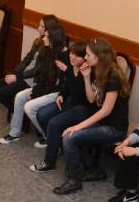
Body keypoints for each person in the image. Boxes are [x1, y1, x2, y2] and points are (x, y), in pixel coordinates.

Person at [52, 38, 130, 195]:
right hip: (102, 123)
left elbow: (106, 110)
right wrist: (87, 77)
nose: (85, 57)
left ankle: (74, 181)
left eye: (88, 55)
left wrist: (78, 127)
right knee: (68, 134)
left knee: (69, 137)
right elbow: (91, 99)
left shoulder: (113, 77)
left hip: (114, 128)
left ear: (98, 57)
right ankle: (96, 170)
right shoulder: (96, 71)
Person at [29, 40, 92, 173]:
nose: (72, 57)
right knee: (42, 115)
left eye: (77, 55)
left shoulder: (87, 72)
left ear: (85, 58)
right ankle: (56, 144)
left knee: (54, 123)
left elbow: (83, 97)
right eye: (72, 53)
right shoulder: (72, 66)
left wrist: (73, 72)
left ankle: (49, 163)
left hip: (83, 108)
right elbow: (67, 85)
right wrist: (61, 94)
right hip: (70, 101)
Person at [0, 24, 68, 145]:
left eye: (47, 37)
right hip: (47, 88)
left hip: (59, 92)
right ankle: (14, 133)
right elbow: (44, 76)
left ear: (55, 38)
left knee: (29, 107)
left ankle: (50, 137)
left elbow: (60, 85)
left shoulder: (67, 56)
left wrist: (36, 94)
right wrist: (35, 91)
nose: (44, 39)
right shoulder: (49, 51)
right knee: (20, 96)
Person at [0, 15, 58, 109]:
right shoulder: (38, 41)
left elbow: (38, 70)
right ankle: (19, 110)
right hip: (24, 74)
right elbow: (27, 59)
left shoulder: (51, 48)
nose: (38, 28)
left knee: (0, 94)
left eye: (42, 26)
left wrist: (17, 77)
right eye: (39, 25)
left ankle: (22, 112)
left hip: (33, 79)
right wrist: (15, 73)